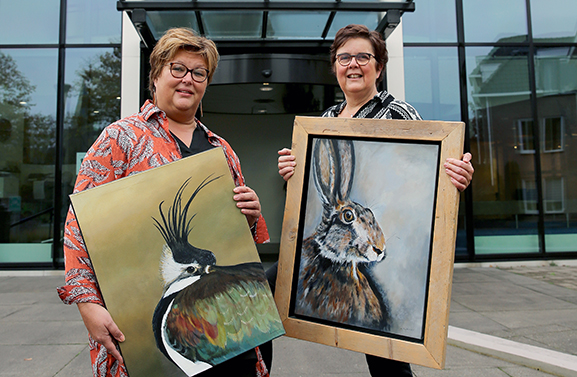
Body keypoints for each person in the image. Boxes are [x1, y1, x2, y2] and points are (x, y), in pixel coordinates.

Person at [57, 27, 272, 377]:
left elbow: (239, 237)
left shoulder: (222, 150)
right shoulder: (121, 138)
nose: (188, 79)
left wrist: (250, 212)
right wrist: (87, 304)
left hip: (227, 332)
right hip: (148, 336)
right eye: (178, 68)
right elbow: (78, 226)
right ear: (155, 76)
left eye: (199, 73)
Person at [274, 24, 474, 377]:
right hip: (333, 257)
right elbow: (311, 193)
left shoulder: (399, 113)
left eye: (363, 57)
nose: (353, 65)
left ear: (379, 67)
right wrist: (292, 171)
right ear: (335, 67)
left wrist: (457, 175)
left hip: (373, 258)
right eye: (344, 58)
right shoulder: (325, 121)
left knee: (385, 347)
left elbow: (431, 174)